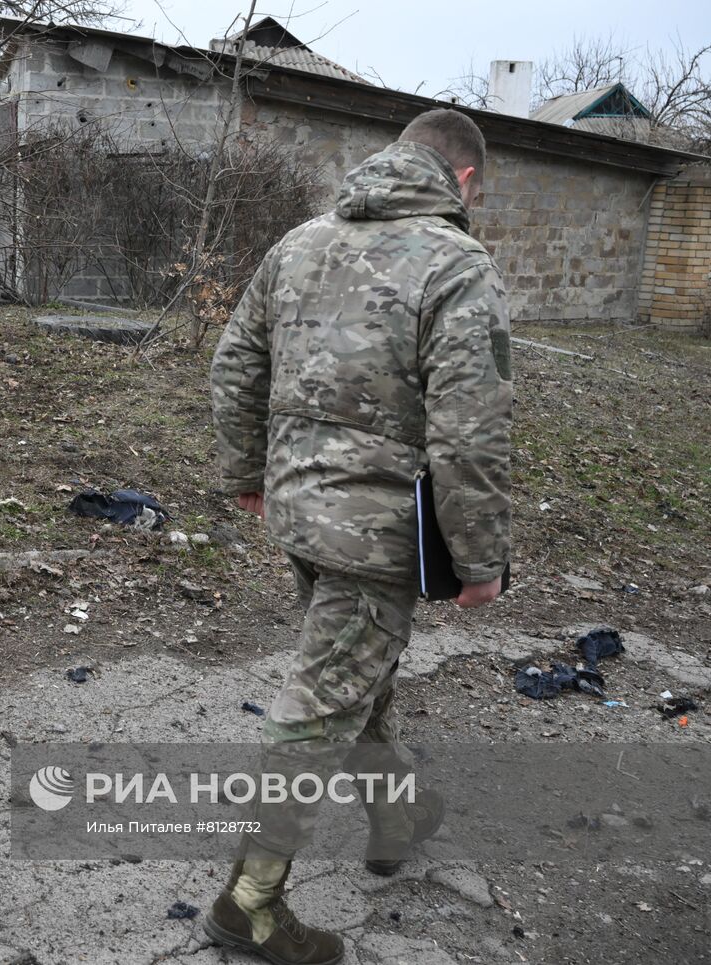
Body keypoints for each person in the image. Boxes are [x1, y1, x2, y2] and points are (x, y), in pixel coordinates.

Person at [205, 108, 513, 964]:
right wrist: (479, 558)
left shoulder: (299, 244)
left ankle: (398, 813)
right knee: (319, 705)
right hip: (376, 536)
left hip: (301, 514)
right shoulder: (458, 264)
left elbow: (235, 364)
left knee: (354, 677)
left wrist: (247, 476)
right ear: (463, 181)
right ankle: (250, 903)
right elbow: (470, 429)